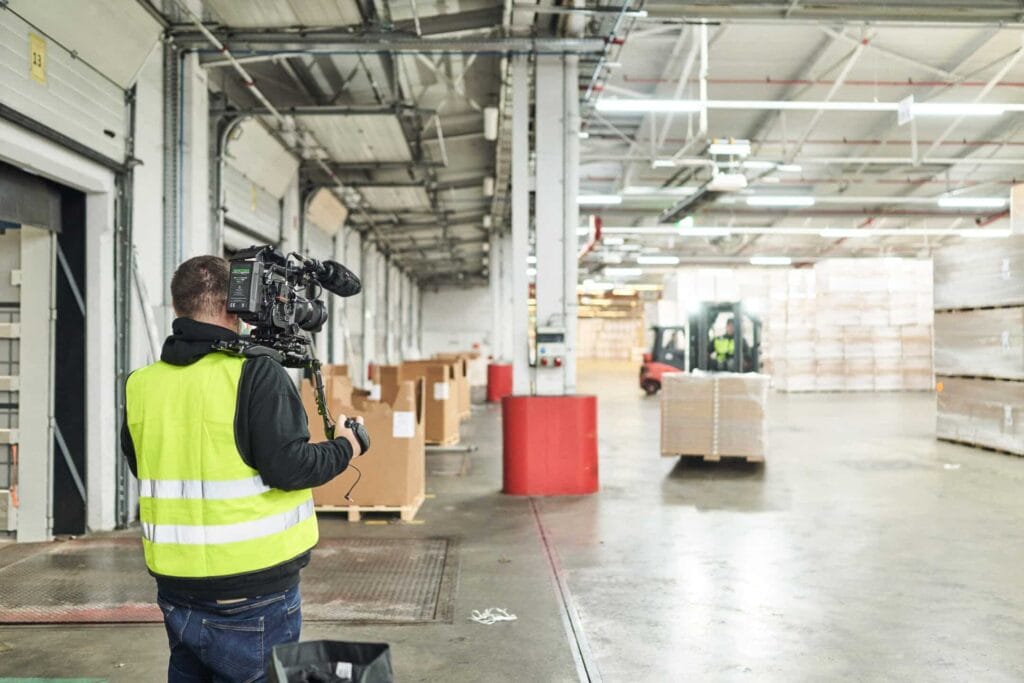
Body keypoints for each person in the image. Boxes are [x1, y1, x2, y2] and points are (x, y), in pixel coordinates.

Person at [121, 255, 366, 683]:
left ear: (180, 307)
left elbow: (142, 463)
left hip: (176, 584)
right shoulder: (256, 373)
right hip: (254, 590)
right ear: (236, 306)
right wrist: (347, 446)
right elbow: (290, 468)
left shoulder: (142, 382)